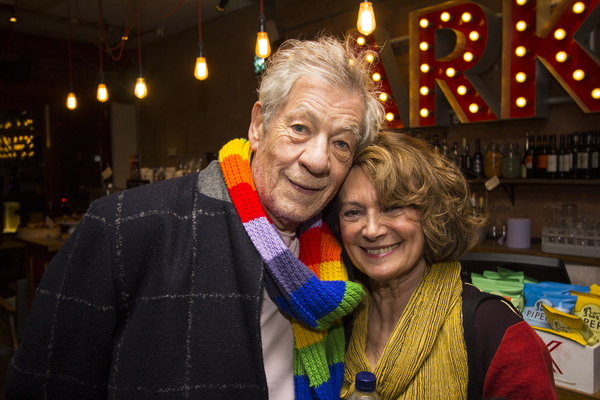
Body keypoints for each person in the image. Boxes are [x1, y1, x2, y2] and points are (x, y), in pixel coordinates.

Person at [5, 35, 384, 400]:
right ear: (258, 125)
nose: (318, 160)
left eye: (341, 143)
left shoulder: (347, 244)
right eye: (300, 128)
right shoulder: (123, 228)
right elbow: (43, 386)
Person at [337, 131, 559, 400]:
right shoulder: (338, 318)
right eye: (353, 212)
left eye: (394, 207)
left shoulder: (497, 333)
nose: (371, 230)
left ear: (432, 214)